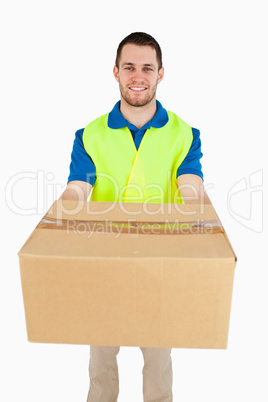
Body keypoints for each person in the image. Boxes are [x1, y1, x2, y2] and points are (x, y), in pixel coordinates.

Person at [60, 32, 210, 402]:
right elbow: (78, 188)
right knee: (101, 366)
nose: (137, 76)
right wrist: (59, 216)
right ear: (116, 72)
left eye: (147, 67)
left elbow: (190, 183)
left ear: (161, 74)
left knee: (158, 367)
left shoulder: (184, 134)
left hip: (160, 263)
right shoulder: (90, 134)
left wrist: (204, 214)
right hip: (104, 260)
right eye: (129, 67)